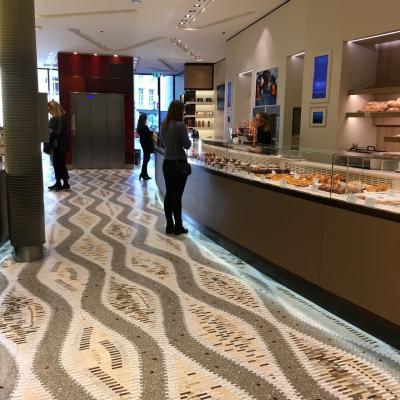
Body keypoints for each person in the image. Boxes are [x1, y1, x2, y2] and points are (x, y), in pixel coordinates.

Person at [160, 100, 191, 235]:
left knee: (169, 194)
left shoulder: (164, 125)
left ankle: (169, 225)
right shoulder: (180, 125)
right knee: (177, 196)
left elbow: (164, 144)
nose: (184, 112)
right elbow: (187, 145)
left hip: (167, 163)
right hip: (179, 164)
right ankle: (178, 226)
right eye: (183, 110)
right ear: (179, 111)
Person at [48, 100, 70, 191]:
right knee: (57, 164)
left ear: (54, 108)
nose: (49, 111)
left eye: (49, 109)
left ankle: (64, 183)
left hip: (61, 146)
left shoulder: (60, 118)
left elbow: (59, 133)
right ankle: (60, 183)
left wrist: (50, 131)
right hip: (57, 146)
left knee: (60, 164)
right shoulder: (54, 118)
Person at [137, 113, 154, 181]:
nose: (146, 120)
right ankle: (143, 174)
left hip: (143, 144)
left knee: (146, 158)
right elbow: (148, 135)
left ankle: (144, 174)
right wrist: (151, 133)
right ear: (143, 119)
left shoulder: (140, 127)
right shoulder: (144, 127)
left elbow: (144, 136)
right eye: (145, 119)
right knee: (146, 158)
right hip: (146, 144)